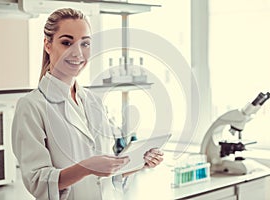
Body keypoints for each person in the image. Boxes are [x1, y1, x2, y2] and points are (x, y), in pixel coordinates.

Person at [12, 8, 164, 200]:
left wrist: (138, 162)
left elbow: (105, 178)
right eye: (67, 42)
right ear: (47, 45)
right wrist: (86, 167)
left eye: (85, 43)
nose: (78, 52)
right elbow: (38, 181)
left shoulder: (93, 101)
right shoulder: (31, 106)